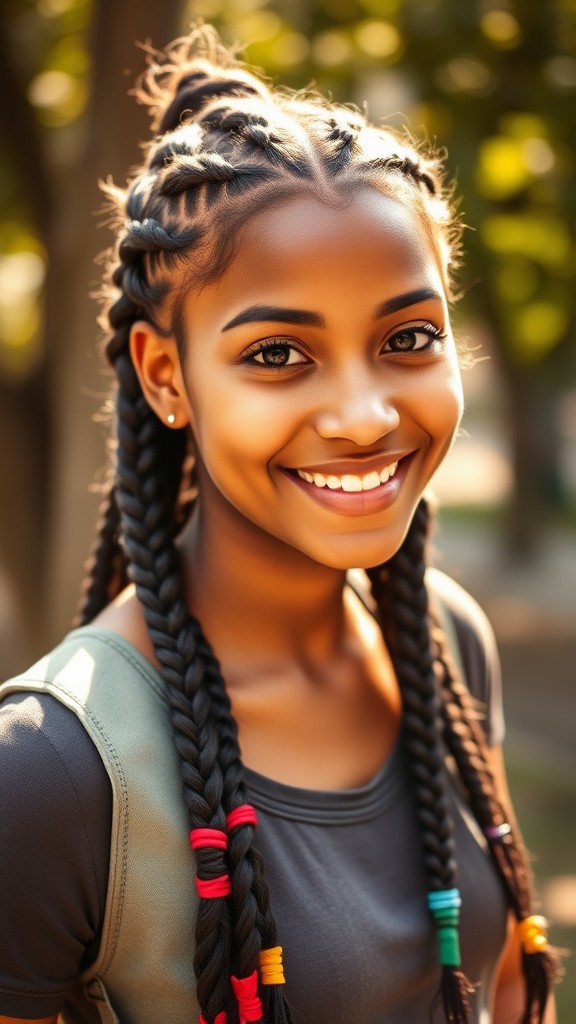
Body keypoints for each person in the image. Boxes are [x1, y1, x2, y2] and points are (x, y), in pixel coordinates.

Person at [0, 24, 559, 1024]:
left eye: (409, 338)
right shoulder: (49, 773)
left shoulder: (442, 640)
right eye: (277, 355)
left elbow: (506, 983)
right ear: (165, 374)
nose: (364, 415)